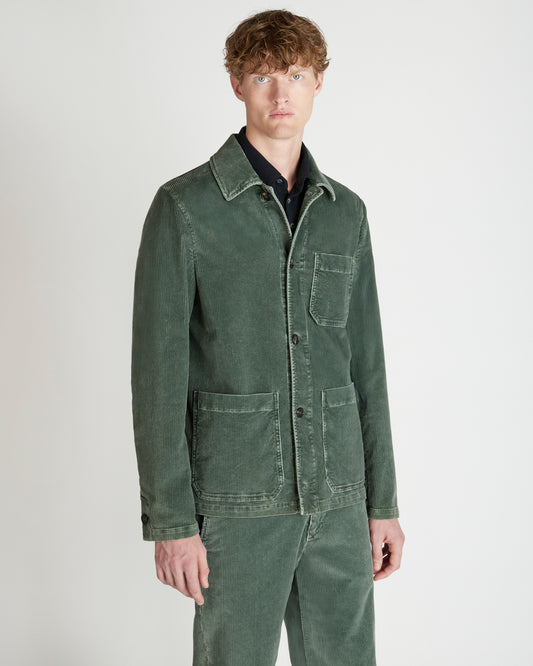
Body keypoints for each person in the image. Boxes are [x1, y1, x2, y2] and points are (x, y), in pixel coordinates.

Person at [131, 9, 405, 665]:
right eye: (262, 77)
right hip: (237, 500)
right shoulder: (185, 208)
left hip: (339, 498)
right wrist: (172, 523)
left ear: (318, 83)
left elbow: (367, 367)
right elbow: (157, 376)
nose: (281, 94)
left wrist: (382, 503)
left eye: (296, 76)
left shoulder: (345, 213)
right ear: (237, 84)